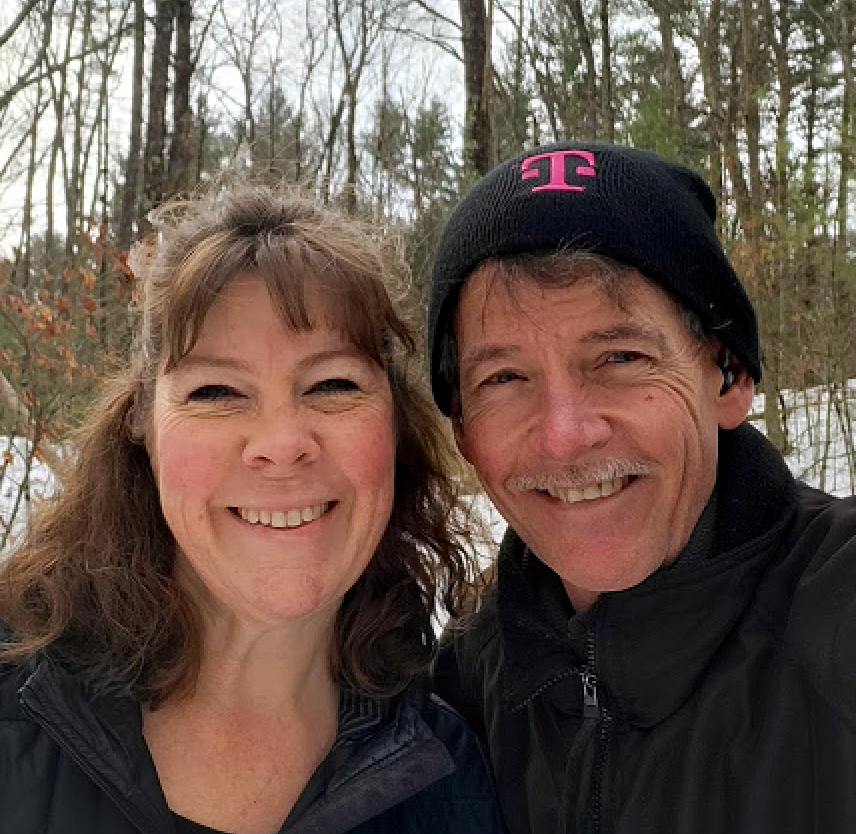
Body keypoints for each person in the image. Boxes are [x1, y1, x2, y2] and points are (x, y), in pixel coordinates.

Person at [0, 187, 508, 834]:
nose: (282, 445)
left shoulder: (449, 783)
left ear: (397, 429)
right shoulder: (17, 712)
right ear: (143, 431)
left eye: (332, 385)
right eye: (216, 391)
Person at [426, 142, 856, 834]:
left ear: (728, 376)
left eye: (621, 357)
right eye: (504, 379)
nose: (565, 436)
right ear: (463, 431)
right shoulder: (461, 693)